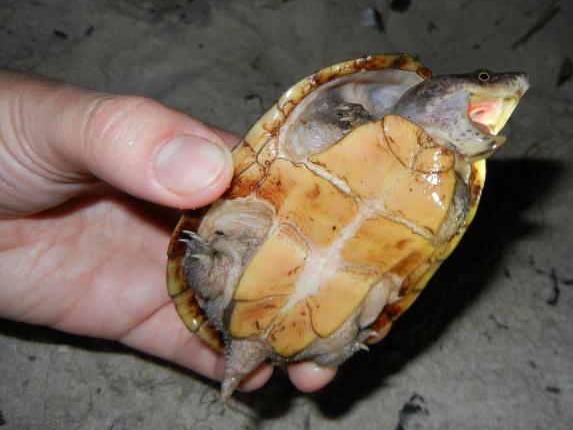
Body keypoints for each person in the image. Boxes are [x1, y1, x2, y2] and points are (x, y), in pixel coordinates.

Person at [0, 69, 338, 394]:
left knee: (313, 333)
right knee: (325, 340)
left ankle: (262, 333)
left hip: (275, 248)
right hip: (275, 240)